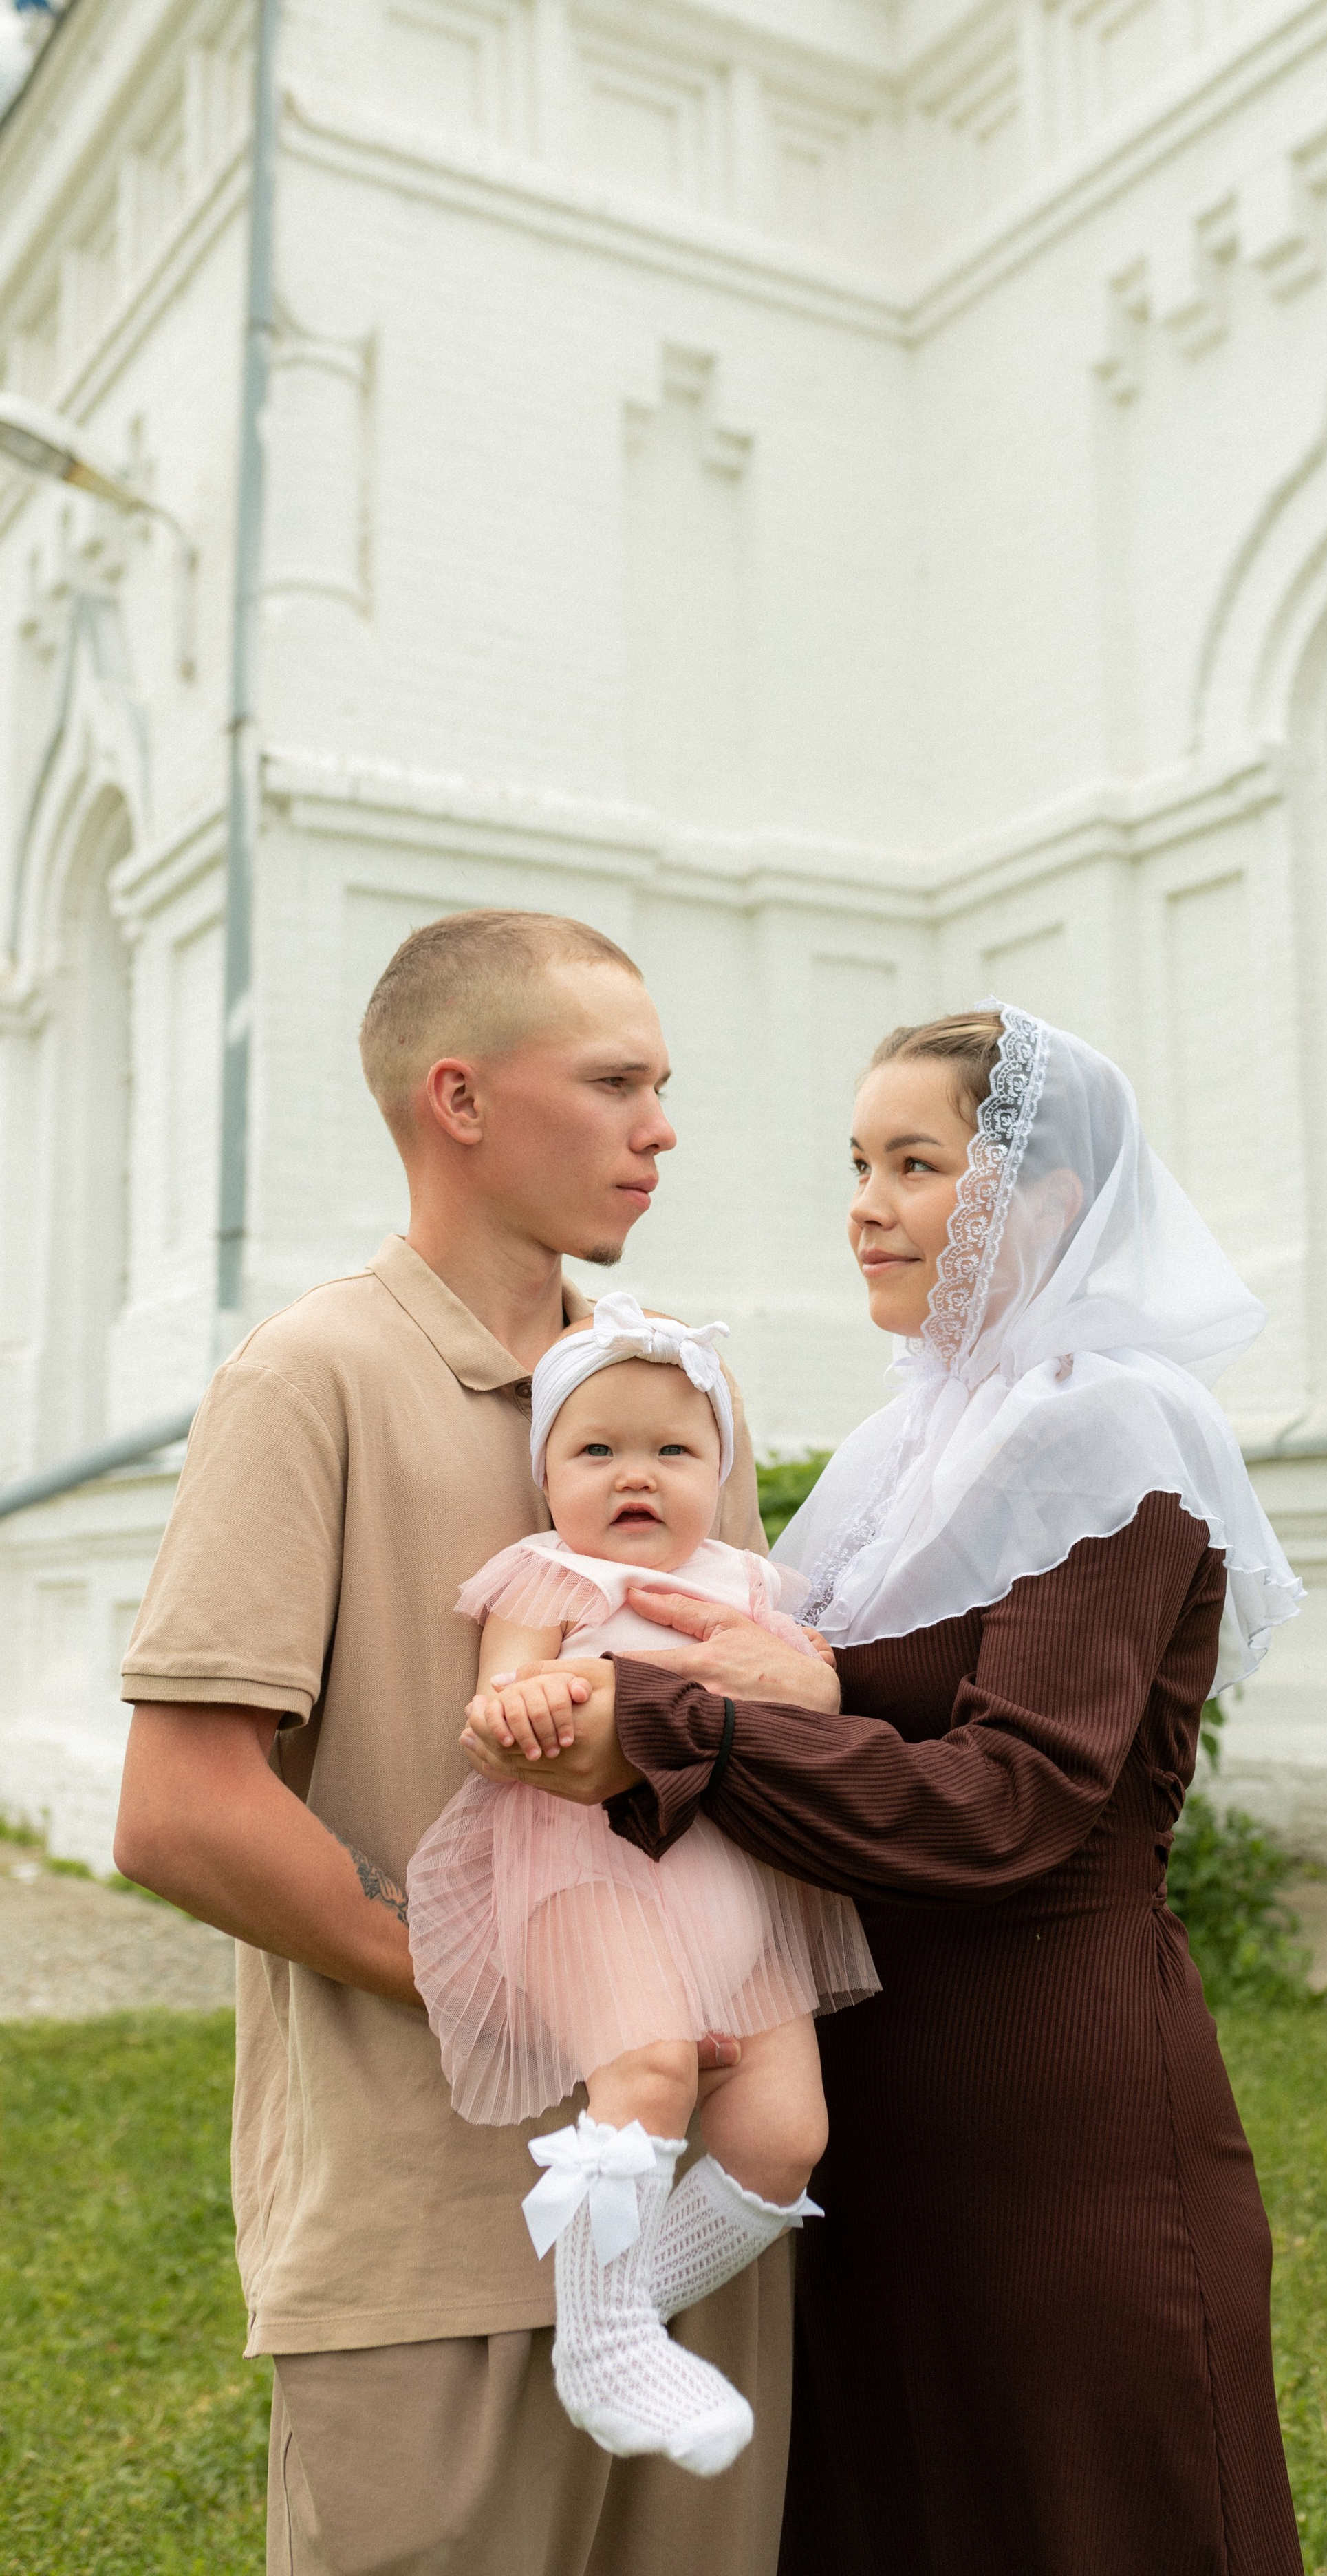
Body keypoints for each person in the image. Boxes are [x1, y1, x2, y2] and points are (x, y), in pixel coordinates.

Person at [466, 1002, 1309, 2576]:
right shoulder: (904, 1446)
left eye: (913, 1165)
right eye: (856, 1162)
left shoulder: (1105, 1430)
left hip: (1048, 2104)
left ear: (1038, 1203)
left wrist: (675, 1729)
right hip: (877, 2101)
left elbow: (1007, 1802)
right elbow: (874, 1710)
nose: (863, 1204)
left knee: (1088, 2518)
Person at [112, 910, 797, 2576]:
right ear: (460, 1102)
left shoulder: (681, 1394)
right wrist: (520, 1990)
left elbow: (748, 1738)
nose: (662, 1127)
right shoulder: (309, 1378)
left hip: (694, 2240)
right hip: (415, 2245)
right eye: (615, 1082)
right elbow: (182, 1812)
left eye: (664, 1084)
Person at [407, 1298, 876, 2474]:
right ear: (548, 1476)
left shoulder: (754, 1585)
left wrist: (808, 1680)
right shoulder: (546, 1574)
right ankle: (608, 2340)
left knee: (785, 2136)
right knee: (652, 2069)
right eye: (597, 1450)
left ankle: (611, 2315)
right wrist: (518, 1701)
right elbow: (501, 1694)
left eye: (674, 1451)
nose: (638, 1476)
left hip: (744, 1889)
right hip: (590, 1870)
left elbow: (804, 1703)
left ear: (719, 1470)